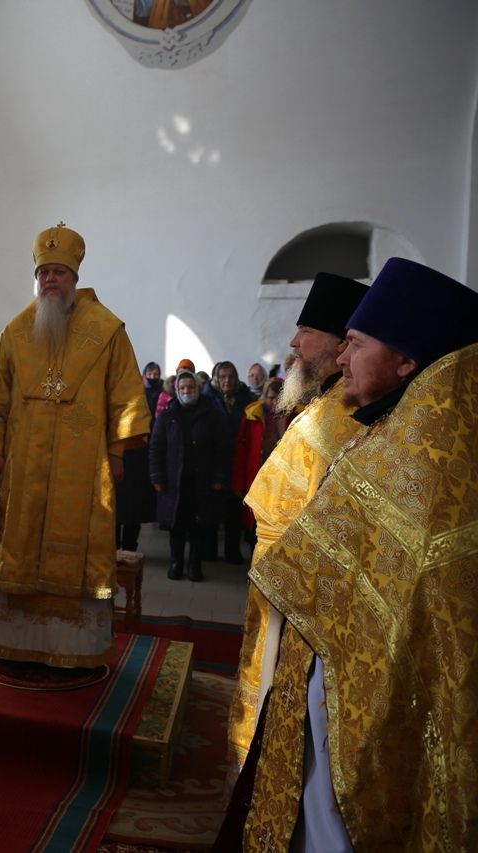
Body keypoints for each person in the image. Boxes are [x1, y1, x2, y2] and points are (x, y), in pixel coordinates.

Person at [234, 258, 477, 850]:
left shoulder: (422, 465)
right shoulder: (390, 430)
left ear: (406, 360)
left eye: (357, 343)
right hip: (334, 688)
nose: (343, 357)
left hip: (366, 718)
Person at [0, 222, 150, 675]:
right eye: (43, 272)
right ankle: (15, 643)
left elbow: (126, 396)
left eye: (59, 272)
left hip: (84, 468)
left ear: (74, 277)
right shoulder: (16, 331)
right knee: (22, 544)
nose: (50, 279)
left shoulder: (107, 330)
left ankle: (77, 649)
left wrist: (116, 453)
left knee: (77, 545)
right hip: (25, 467)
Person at [225, 272, 367, 770]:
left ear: (338, 344)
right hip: (277, 578)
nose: (293, 342)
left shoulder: (342, 414)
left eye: (306, 331)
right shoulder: (324, 402)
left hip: (298, 591)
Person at [149, 371, 226, 581]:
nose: (186, 391)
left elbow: (221, 448)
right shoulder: (167, 415)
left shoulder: (211, 414)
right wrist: (157, 477)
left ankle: (194, 565)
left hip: (201, 480)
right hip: (174, 481)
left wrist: (219, 477)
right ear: (176, 390)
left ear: (197, 389)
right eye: (182, 388)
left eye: (190, 387)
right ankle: (176, 563)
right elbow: (156, 448)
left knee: (198, 525)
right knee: (176, 525)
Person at [203, 360, 256, 564]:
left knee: (234, 508)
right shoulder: (206, 399)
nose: (227, 381)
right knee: (211, 508)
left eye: (231, 377)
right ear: (217, 379)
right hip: (213, 461)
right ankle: (209, 551)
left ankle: (232, 551)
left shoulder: (248, 399)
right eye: (223, 377)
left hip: (236, 460)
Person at [117, 361, 163, 550]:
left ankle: (129, 551)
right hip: (116, 460)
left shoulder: (145, 403)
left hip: (137, 463)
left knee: (133, 513)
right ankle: (112, 551)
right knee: (114, 513)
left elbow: (151, 434)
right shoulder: (112, 401)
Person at [230, 377, 282, 539]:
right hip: (257, 478)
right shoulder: (253, 416)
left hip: (282, 482)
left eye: (279, 398)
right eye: (271, 397)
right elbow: (241, 452)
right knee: (256, 529)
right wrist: (239, 483)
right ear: (264, 397)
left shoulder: (295, 415)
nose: (275, 402)